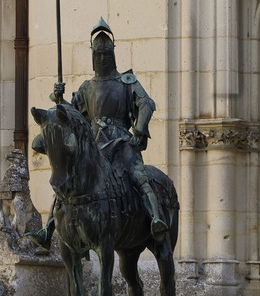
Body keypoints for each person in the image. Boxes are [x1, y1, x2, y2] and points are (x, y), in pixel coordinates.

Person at [28, 18, 166, 245]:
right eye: (98, 54)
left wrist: (139, 129)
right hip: (93, 143)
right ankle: (48, 229)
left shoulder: (127, 81)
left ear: (112, 53)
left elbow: (146, 104)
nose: (101, 58)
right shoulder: (86, 87)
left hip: (120, 140)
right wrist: (58, 98)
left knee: (138, 176)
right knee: (69, 180)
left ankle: (155, 219)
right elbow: (70, 115)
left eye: (105, 54)